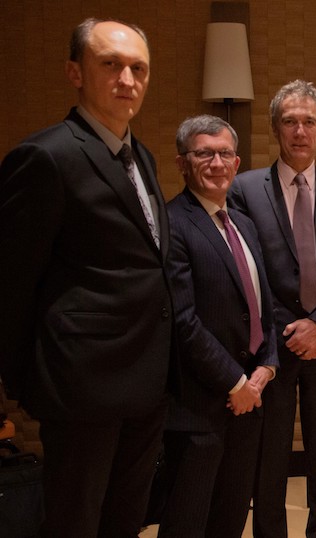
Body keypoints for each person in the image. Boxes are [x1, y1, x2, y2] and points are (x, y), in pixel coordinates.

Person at [0, 18, 171, 537]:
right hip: (80, 386)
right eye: (110, 64)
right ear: (75, 72)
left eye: (138, 68)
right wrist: (19, 383)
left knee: (126, 519)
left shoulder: (140, 155)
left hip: (145, 382)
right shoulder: (44, 157)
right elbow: (11, 283)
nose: (127, 79)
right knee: (75, 521)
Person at [229, 80, 316, 538]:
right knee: (270, 460)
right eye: (290, 121)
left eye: (309, 121)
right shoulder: (245, 189)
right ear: (275, 128)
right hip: (271, 346)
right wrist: (293, 330)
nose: (300, 131)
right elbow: (243, 268)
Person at [158, 115, 279, 537]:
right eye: (204, 153)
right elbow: (183, 321)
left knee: (229, 520)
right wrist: (235, 384)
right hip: (199, 409)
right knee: (187, 523)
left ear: (237, 161)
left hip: (250, 404)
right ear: (182, 162)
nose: (216, 162)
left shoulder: (243, 225)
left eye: (225, 153)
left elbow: (262, 308)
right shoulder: (172, 223)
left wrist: (268, 366)